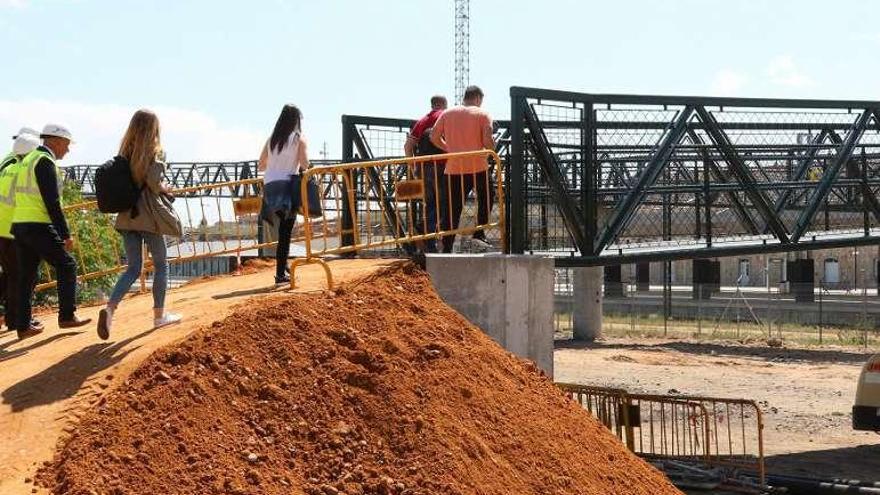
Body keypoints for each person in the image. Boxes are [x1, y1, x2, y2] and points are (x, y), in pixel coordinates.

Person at [97, 110, 182, 340]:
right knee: (161, 265)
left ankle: (110, 309)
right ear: (154, 128)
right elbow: (154, 183)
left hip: (126, 216)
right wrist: (165, 188)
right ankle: (159, 316)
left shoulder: (124, 152)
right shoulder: (155, 151)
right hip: (149, 216)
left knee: (133, 268)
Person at [11, 124, 91, 340]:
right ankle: (67, 315)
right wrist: (65, 234)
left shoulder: (27, 159)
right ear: (55, 141)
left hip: (19, 224)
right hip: (38, 224)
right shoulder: (45, 161)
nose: (67, 149)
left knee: (26, 276)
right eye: (66, 144)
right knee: (67, 265)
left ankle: (23, 325)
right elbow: (52, 202)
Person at [430, 85, 495, 253]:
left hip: (453, 169)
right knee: (487, 197)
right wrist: (492, 150)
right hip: (478, 166)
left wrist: (448, 148)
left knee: (452, 208)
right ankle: (479, 233)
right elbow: (488, 141)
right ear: (479, 99)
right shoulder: (482, 114)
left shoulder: (447, 113)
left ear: (465, 97)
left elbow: (433, 137)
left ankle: (447, 246)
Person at [258, 104, 310, 285]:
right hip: (288, 187)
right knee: (286, 232)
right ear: (296, 121)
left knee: (282, 230)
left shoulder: (272, 139)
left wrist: (276, 164)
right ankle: (280, 274)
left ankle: (284, 265)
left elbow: (261, 165)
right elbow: (305, 165)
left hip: (270, 186)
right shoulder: (298, 139)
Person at [0, 128, 43, 333]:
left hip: (3, 228)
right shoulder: (26, 171)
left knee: (11, 276)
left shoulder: (8, 166)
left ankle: (12, 319)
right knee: (22, 277)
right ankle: (18, 321)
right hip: (15, 230)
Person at [404, 95, 448, 252]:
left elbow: (408, 146)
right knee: (444, 204)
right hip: (442, 167)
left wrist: (413, 167)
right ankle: (424, 230)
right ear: (444, 104)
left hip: (423, 168)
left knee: (430, 204)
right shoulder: (445, 116)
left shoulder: (422, 121)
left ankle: (428, 240)